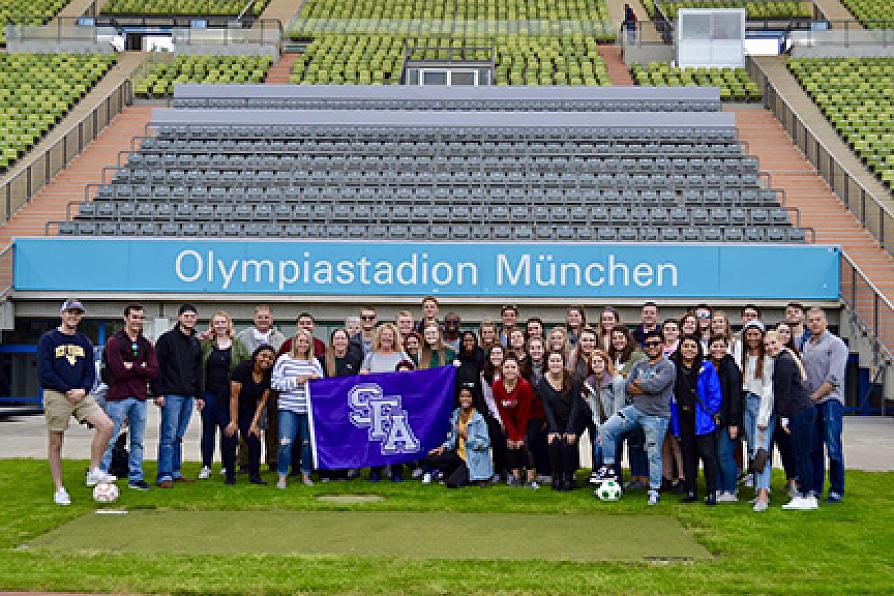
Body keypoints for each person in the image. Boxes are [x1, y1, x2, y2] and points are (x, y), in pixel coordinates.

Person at [38, 299, 115, 505]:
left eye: (77, 314)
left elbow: (90, 372)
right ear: (62, 314)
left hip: (81, 395)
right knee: (56, 443)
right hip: (57, 394)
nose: (73, 317)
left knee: (106, 426)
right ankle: (59, 489)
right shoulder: (49, 339)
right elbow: (45, 372)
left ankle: (94, 470)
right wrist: (66, 389)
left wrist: (83, 389)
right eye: (70, 313)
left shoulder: (84, 341)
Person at [593, 329, 675, 506]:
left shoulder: (668, 366)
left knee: (653, 453)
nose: (652, 347)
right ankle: (608, 468)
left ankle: (654, 490)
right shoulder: (640, 365)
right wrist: (643, 387)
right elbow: (628, 386)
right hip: (635, 409)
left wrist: (642, 385)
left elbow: (656, 387)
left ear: (662, 345)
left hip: (657, 416)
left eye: (655, 343)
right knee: (607, 428)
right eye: (648, 344)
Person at [100, 304, 159, 491]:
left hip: (140, 398)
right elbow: (116, 371)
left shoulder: (146, 344)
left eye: (141, 318)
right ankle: (101, 475)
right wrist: (140, 368)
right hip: (118, 397)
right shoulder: (114, 342)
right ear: (126, 318)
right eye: (134, 317)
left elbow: (154, 371)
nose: (137, 321)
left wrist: (132, 366)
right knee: (109, 439)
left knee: (137, 441)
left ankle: (136, 477)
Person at [765, 330, 818, 510]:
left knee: (802, 454)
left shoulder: (784, 361)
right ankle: (807, 493)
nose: (770, 347)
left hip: (799, 411)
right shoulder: (785, 358)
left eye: (773, 343)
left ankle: (808, 495)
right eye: (767, 345)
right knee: (800, 454)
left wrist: (783, 417)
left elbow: (784, 393)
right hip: (800, 410)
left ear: (781, 342)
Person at [154, 304, 204, 488]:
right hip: (170, 395)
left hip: (189, 396)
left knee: (178, 436)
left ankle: (175, 471)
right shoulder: (167, 340)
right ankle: (164, 475)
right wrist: (157, 392)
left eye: (192, 316)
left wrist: (199, 395)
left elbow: (198, 371)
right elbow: (157, 367)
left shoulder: (195, 342)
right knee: (168, 436)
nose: (189, 319)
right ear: (179, 318)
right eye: (186, 316)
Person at [802, 307, 848, 503]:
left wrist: (814, 397)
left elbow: (834, 378)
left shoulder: (836, 344)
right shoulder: (806, 344)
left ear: (826, 322)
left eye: (818, 320)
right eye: (811, 320)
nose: (814, 323)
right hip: (811, 403)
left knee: (833, 447)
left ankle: (836, 489)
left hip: (829, 401)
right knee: (813, 448)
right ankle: (815, 488)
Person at [670, 335, 722, 506]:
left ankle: (711, 492)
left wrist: (708, 414)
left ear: (699, 349)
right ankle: (691, 490)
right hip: (682, 417)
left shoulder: (706, 367)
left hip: (702, 418)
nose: (689, 349)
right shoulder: (674, 367)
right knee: (688, 456)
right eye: (686, 346)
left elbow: (715, 394)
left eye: (693, 346)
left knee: (708, 456)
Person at [236, 304, 286, 474]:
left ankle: (273, 460)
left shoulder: (280, 338)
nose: (263, 320)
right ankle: (245, 461)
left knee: (274, 425)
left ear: (272, 319)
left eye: (267, 317)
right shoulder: (242, 337)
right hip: (249, 386)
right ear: (254, 318)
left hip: (272, 386)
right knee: (248, 422)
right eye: (260, 317)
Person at [199, 311, 249, 480]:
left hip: (230, 395)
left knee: (228, 431)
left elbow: (247, 365)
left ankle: (228, 464)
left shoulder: (238, 345)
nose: (220, 325)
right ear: (212, 325)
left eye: (223, 322)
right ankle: (206, 465)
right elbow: (196, 365)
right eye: (216, 323)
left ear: (229, 324)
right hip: (209, 394)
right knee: (208, 430)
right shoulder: (206, 345)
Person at [271, 329, 323, 489]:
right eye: (300, 341)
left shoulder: (314, 362)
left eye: (306, 342)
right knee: (285, 442)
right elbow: (275, 383)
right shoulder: (284, 360)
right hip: (288, 407)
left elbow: (321, 385)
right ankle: (282, 476)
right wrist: (297, 380)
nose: (303, 344)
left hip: (307, 409)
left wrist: (315, 380)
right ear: (295, 342)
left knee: (307, 443)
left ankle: (306, 474)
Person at [360, 323, 410, 482]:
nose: (387, 337)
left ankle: (397, 470)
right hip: (377, 404)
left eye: (390, 335)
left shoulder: (401, 355)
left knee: (396, 439)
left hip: (396, 403)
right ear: (379, 337)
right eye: (384, 334)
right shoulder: (371, 356)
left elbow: (413, 373)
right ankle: (376, 470)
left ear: (394, 337)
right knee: (377, 439)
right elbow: (360, 376)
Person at [737, 319, 775, 512]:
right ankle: (758, 490)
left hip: (761, 404)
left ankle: (763, 494)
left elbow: (768, 389)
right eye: (749, 334)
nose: (752, 338)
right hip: (746, 402)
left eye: (756, 334)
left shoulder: (767, 357)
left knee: (762, 451)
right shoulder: (743, 355)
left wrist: (763, 417)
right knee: (753, 449)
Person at [224, 345, 275, 485]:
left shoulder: (269, 375)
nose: (266, 359)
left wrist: (254, 424)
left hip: (249, 409)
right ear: (256, 356)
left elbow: (262, 403)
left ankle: (255, 476)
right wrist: (233, 422)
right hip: (230, 405)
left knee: (254, 438)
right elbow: (234, 397)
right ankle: (230, 476)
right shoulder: (243, 369)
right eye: (263, 355)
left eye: (270, 358)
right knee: (231, 436)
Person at [426, 384, 493, 488]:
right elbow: (453, 439)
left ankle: (478, 477)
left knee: (452, 484)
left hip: (472, 458)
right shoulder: (456, 414)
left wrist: (466, 437)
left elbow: (485, 443)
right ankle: (454, 473)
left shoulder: (479, 419)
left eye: (468, 396)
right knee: (432, 457)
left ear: (473, 398)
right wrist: (443, 447)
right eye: (462, 396)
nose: (464, 399)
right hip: (459, 455)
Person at [608, 327, 649, 490]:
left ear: (628, 338)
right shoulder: (614, 358)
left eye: (621, 337)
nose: (618, 341)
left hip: (637, 405)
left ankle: (643, 477)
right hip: (620, 408)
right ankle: (634, 477)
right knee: (632, 443)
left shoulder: (637, 356)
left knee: (638, 442)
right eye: (615, 338)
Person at [538, 350, 584, 491]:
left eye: (558, 360)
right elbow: (546, 407)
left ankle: (568, 477)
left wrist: (570, 429)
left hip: (574, 418)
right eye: (552, 361)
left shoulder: (574, 379)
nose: (555, 364)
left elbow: (576, 405)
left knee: (568, 443)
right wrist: (553, 429)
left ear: (563, 363)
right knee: (553, 442)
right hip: (554, 420)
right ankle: (556, 476)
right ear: (547, 363)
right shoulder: (542, 382)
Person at [493, 356, 539, 489]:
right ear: (502, 369)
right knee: (510, 443)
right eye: (507, 367)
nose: (510, 370)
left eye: (513, 367)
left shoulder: (524, 386)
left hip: (532, 416)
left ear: (518, 369)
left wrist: (519, 436)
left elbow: (524, 414)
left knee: (524, 442)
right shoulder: (497, 386)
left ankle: (531, 479)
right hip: (511, 417)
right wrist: (512, 435)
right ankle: (516, 477)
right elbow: (503, 413)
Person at [707, 334, 743, 502]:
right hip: (709, 419)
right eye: (715, 346)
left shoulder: (731, 367)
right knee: (713, 455)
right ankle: (719, 488)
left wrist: (734, 422)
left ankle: (730, 489)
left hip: (729, 419)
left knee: (724, 454)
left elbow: (735, 396)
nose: (718, 349)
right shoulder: (705, 365)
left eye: (721, 346)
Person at [582, 349, 625, 484]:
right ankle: (604, 480)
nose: (597, 364)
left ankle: (616, 481)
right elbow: (594, 410)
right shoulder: (590, 383)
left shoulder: (616, 381)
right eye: (593, 362)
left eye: (600, 361)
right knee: (598, 449)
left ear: (606, 363)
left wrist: (607, 430)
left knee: (613, 450)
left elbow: (618, 408)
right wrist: (600, 429)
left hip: (618, 421)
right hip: (601, 423)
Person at [481, 345, 508, 481]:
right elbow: (489, 399)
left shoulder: (510, 371)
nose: (496, 356)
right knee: (497, 442)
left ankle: (510, 471)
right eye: (493, 354)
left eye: (499, 353)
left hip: (510, 411)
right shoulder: (485, 375)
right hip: (494, 413)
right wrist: (499, 417)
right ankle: (498, 471)